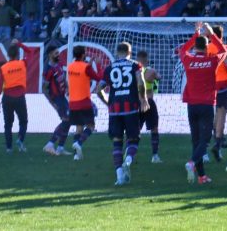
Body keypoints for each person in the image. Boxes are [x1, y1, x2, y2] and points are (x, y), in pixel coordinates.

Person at [179, 23, 227, 184]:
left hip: (191, 105)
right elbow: (224, 50)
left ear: (195, 47)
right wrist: (212, 34)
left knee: (196, 141)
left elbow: (183, 49)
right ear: (207, 47)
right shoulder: (212, 60)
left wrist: (196, 34)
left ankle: (201, 176)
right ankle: (192, 163)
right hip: (206, 105)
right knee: (205, 140)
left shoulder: (188, 59)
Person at [98, 41, 147, 186]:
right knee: (133, 138)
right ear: (130, 52)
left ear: (116, 52)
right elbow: (140, 82)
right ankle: (128, 160)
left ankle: (119, 176)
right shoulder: (135, 65)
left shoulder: (109, 68)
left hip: (115, 110)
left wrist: (107, 102)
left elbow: (98, 89)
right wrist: (143, 99)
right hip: (130, 108)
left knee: (117, 142)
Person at [0, 39, 32, 154]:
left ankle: (9, 148)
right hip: (19, 97)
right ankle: (20, 139)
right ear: (18, 54)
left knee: (8, 124)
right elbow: (30, 52)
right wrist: (19, 44)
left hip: (7, 98)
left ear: (8, 55)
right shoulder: (22, 63)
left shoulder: (3, 68)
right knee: (23, 121)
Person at [67, 45, 103, 161]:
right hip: (84, 102)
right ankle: (79, 143)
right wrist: (98, 64)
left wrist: (89, 64)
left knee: (79, 127)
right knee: (91, 126)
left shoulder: (70, 66)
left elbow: (82, 74)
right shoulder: (86, 67)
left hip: (73, 102)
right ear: (83, 55)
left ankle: (76, 155)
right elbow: (99, 77)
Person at [207, 26, 227, 164]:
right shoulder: (225, 48)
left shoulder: (206, 48)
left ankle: (219, 137)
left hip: (210, 83)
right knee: (221, 112)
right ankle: (218, 142)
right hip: (222, 83)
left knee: (215, 112)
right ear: (221, 36)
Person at [42, 47, 71, 156]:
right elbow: (44, 89)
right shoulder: (48, 70)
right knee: (66, 120)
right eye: (56, 53)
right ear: (50, 54)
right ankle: (50, 144)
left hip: (62, 97)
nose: (58, 54)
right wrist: (52, 102)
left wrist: (67, 87)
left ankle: (60, 148)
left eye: (58, 52)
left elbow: (62, 78)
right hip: (57, 98)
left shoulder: (58, 65)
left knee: (68, 120)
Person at [135, 50, 162, 164]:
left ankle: (129, 154)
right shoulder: (151, 71)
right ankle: (155, 156)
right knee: (154, 128)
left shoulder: (133, 72)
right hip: (149, 101)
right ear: (147, 59)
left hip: (136, 102)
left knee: (135, 130)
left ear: (137, 59)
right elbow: (159, 77)